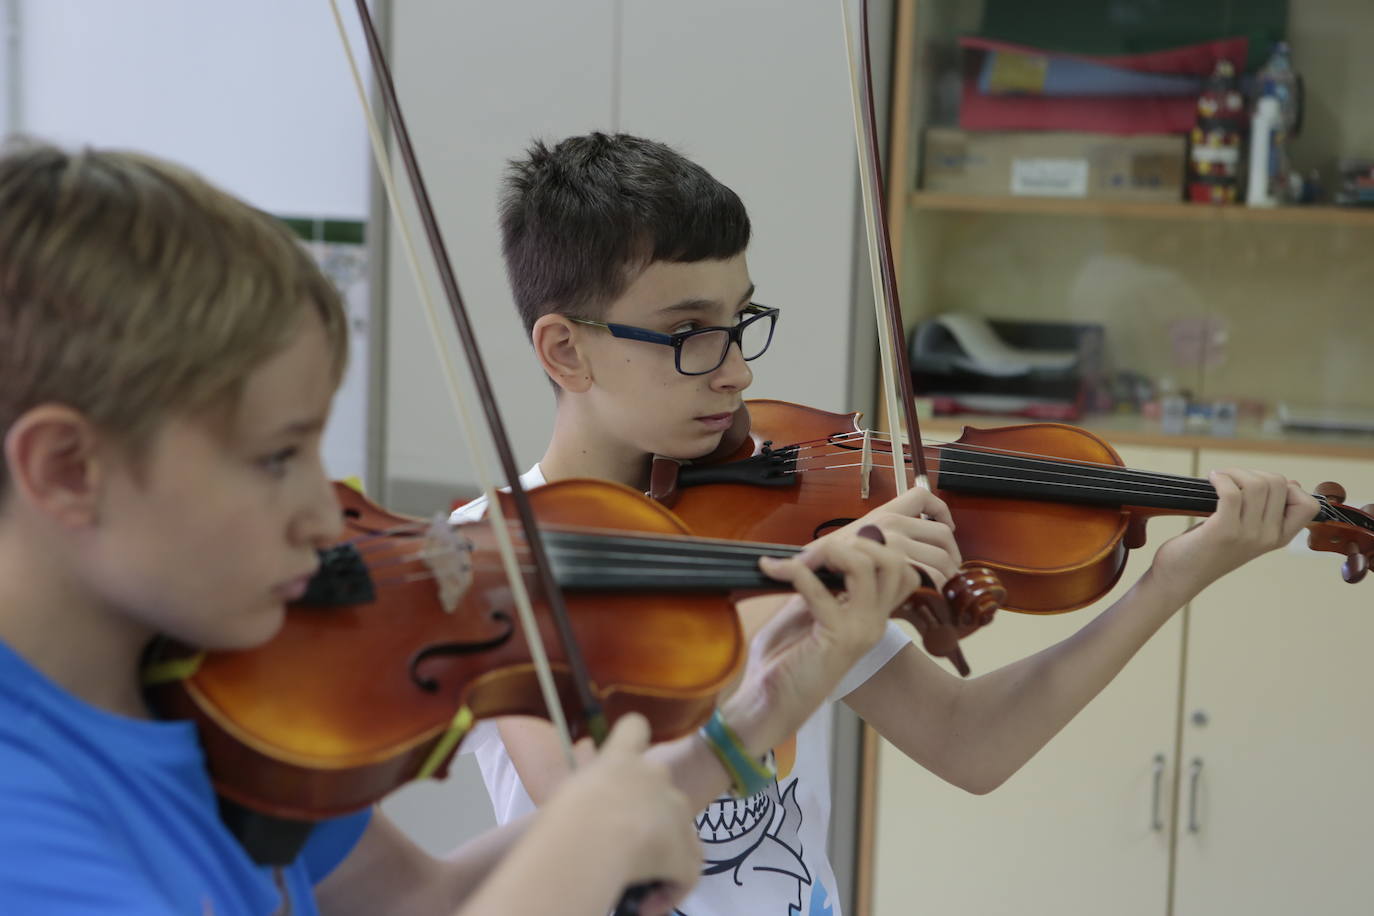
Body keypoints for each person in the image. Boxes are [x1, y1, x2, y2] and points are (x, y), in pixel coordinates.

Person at [0, 141, 921, 916]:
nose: (326, 515)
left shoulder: (202, 700)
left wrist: (752, 722)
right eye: (277, 457)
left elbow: (421, 899)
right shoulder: (27, 829)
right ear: (67, 469)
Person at [450, 131, 1320, 916]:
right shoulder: (490, 554)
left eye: (739, 321)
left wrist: (1170, 582)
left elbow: (969, 743)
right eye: (689, 332)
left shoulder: (774, 518)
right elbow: (589, 801)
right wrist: (805, 593)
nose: (737, 372)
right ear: (566, 350)